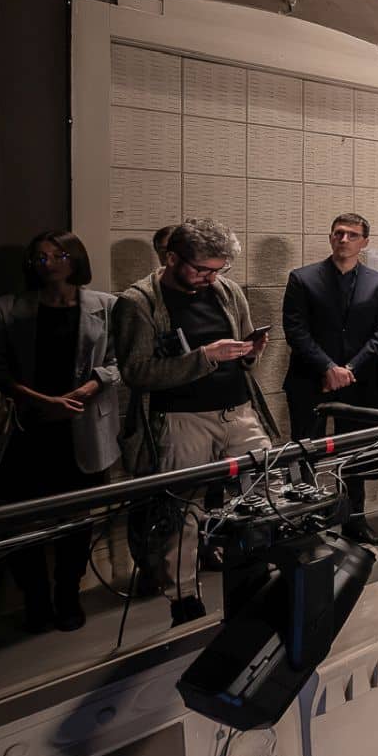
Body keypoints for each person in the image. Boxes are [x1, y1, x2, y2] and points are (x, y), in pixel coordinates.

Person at [110, 218, 270, 625]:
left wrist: (250, 352)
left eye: (218, 269)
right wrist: (206, 357)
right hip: (182, 418)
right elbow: (137, 372)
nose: (210, 278)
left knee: (266, 486)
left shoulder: (227, 291)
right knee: (182, 510)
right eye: (201, 270)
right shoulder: (138, 302)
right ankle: (183, 599)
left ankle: (260, 575)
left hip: (237, 410)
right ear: (171, 258)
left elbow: (243, 351)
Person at [0, 232, 121, 636]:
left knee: (76, 520)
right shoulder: (7, 308)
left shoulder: (105, 306)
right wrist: (41, 400)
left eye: (58, 255)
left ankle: (68, 595)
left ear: (75, 258)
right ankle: (36, 600)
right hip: (27, 429)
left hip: (82, 427)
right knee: (22, 523)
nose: (49, 263)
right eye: (39, 257)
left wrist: (88, 388)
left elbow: (118, 361)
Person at [282, 212, 378, 547]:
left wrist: (350, 369)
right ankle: (305, 525)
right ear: (331, 237)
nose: (344, 239)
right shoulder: (302, 278)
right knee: (304, 453)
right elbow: (295, 330)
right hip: (309, 380)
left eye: (352, 234)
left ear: (365, 242)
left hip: (358, 382)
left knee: (355, 453)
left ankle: (354, 520)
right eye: (338, 233)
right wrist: (328, 367)